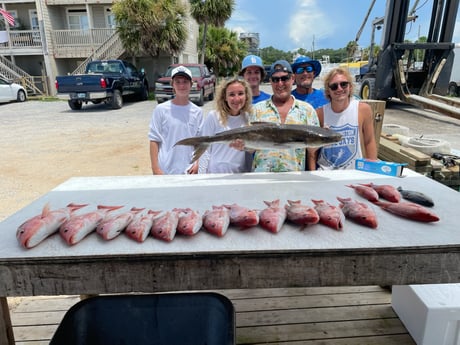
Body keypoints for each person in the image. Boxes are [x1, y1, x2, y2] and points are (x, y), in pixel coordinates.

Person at [249, 60, 320, 172]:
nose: (280, 83)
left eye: (284, 78)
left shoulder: (308, 110)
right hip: (261, 179)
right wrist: (240, 145)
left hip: (294, 180)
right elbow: (250, 150)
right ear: (270, 82)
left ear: (292, 78)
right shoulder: (256, 110)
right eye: (275, 79)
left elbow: (312, 152)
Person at [315, 67, 377, 170]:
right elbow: (313, 151)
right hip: (325, 172)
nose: (339, 89)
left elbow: (369, 141)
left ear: (350, 87)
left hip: (353, 173)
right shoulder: (319, 113)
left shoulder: (363, 110)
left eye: (343, 84)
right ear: (328, 91)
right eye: (334, 86)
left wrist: (373, 169)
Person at [148, 65, 203, 175]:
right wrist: (156, 169)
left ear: (191, 84)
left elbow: (200, 142)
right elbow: (154, 140)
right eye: (178, 82)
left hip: (189, 170)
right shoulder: (161, 110)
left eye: (185, 81)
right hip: (166, 171)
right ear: (172, 85)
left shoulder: (197, 112)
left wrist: (197, 163)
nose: (181, 85)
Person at [200, 78, 253, 173]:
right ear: (225, 97)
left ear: (246, 96)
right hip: (214, 175)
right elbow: (205, 150)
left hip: (238, 176)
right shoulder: (214, 116)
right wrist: (202, 176)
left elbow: (251, 150)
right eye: (231, 94)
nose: (236, 99)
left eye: (240, 93)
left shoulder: (248, 118)